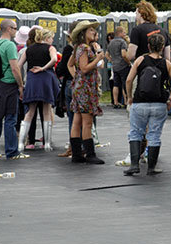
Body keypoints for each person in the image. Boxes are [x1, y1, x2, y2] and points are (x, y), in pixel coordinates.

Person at [124, 33, 171, 175]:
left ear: (148, 46)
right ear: (162, 48)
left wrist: (129, 96)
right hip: (159, 104)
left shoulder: (140, 60)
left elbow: (129, 80)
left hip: (140, 102)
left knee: (135, 133)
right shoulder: (167, 63)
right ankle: (152, 167)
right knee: (154, 134)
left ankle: (134, 165)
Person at [0, 20, 26, 160]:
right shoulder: (10, 45)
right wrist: (21, 85)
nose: (16, 31)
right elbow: (15, 68)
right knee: (10, 119)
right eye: (15, 28)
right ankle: (11, 151)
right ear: (8, 29)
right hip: (9, 85)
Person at [68, 20, 105, 164]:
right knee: (87, 122)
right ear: (83, 33)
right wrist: (98, 58)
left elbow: (70, 64)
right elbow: (84, 68)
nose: (94, 32)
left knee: (77, 121)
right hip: (86, 89)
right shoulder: (84, 48)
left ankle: (77, 154)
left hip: (80, 87)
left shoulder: (78, 47)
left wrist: (76, 79)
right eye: (90, 30)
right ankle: (90, 154)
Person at [18, 29, 59, 152]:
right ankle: (46, 143)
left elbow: (19, 65)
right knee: (47, 110)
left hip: (32, 80)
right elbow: (54, 60)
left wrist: (20, 82)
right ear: (45, 37)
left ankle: (21, 143)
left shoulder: (28, 49)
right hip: (46, 79)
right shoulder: (50, 48)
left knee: (30, 111)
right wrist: (43, 68)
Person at [55, 23, 79, 157]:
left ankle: (73, 147)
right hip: (83, 84)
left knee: (72, 119)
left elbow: (63, 67)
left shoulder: (68, 49)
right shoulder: (87, 48)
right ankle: (83, 146)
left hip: (70, 82)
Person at [107, 26, 131, 108]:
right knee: (125, 83)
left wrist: (112, 60)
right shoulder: (122, 42)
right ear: (120, 33)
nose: (125, 34)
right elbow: (124, 54)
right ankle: (126, 101)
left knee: (116, 84)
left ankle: (116, 102)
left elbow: (106, 54)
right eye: (124, 32)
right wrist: (128, 63)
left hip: (115, 66)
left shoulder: (111, 42)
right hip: (123, 65)